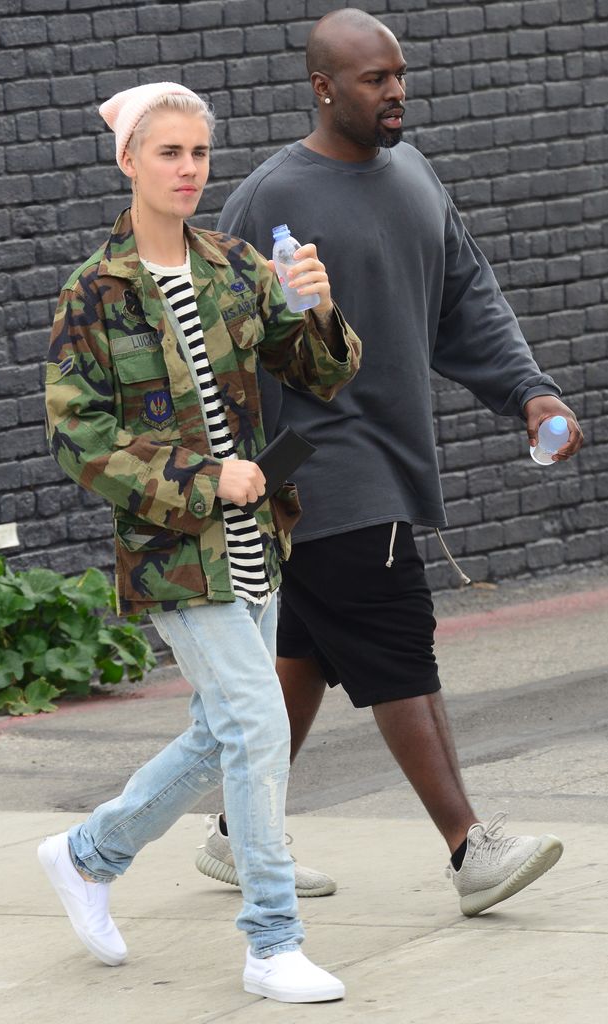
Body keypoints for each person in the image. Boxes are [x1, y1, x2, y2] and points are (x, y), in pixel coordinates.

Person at [195, 8, 584, 918]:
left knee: (307, 654)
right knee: (396, 637)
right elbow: (215, 337)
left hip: (386, 454)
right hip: (316, 463)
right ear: (324, 87)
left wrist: (529, 393)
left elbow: (467, 299)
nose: (396, 91)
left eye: (399, 74)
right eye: (374, 79)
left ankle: (229, 829)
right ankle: (469, 848)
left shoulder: (413, 176)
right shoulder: (267, 198)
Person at [39, 81, 361, 1004]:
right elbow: (79, 437)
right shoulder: (92, 294)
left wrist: (315, 307)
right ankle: (270, 941)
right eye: (168, 153)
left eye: (198, 154)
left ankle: (87, 854)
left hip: (257, 538)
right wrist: (198, 479)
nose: (187, 170)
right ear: (129, 162)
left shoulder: (232, 266)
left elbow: (323, 373)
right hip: (175, 551)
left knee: (223, 733)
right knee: (258, 723)